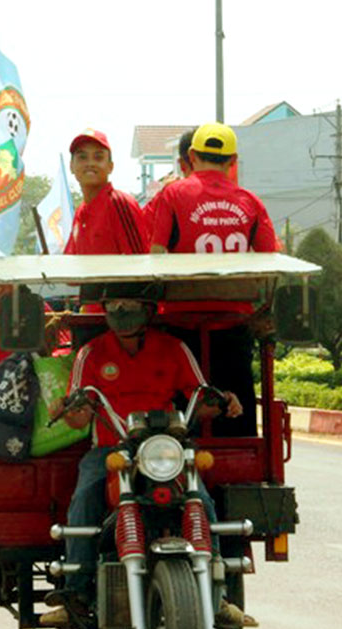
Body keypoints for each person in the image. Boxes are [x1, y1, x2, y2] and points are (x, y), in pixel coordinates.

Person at [38, 286, 242, 628]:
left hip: (165, 448)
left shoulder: (173, 348)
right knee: (85, 495)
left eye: (128, 304)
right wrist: (65, 408)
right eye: (113, 304)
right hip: (111, 448)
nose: (120, 310)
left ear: (148, 310)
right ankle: (76, 592)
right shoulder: (91, 353)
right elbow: (80, 414)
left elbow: (200, 397)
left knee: (202, 501)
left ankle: (217, 597)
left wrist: (224, 402)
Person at [147, 122, 281, 437]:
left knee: (182, 410)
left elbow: (156, 254)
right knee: (237, 412)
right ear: (232, 161)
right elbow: (268, 260)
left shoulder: (173, 194)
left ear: (192, 156)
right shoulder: (251, 201)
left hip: (181, 326)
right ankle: (241, 466)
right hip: (234, 325)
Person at [63, 129, 148, 255]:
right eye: (82, 157)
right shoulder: (80, 212)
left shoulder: (120, 204)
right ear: (71, 166)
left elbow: (140, 262)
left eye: (98, 157)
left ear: (110, 167)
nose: (90, 163)